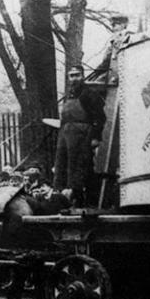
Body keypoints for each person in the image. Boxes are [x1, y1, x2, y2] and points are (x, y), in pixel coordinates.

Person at [52, 65, 106, 208]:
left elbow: (100, 118)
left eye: (77, 75)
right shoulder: (69, 96)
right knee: (64, 166)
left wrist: (96, 137)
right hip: (66, 135)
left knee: (82, 167)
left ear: (82, 76)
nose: (74, 78)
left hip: (82, 135)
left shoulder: (89, 94)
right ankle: (68, 199)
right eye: (71, 76)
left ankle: (86, 201)